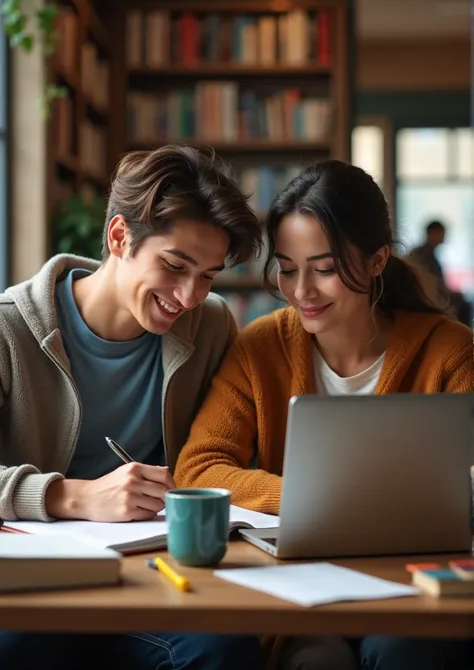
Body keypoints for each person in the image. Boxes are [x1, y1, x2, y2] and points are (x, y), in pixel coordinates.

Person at [175, 160, 473, 670]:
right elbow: (198, 469)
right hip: (304, 595)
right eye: (288, 268)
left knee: (406, 651)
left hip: (416, 589)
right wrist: (304, 498)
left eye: (326, 268)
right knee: (314, 661)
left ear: (377, 260)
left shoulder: (450, 352)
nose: (302, 291)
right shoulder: (260, 347)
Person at [0, 145, 263, 670]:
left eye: (208, 275)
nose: (189, 295)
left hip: (155, 579)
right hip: (33, 583)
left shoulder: (211, 328)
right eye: (174, 265)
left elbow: (223, 457)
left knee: (224, 649)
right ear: (119, 238)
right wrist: (71, 496)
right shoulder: (8, 328)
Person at [409, 220, 472, 327]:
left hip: (433, 294)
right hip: (427, 297)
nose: (444, 237)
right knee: (463, 305)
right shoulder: (421, 255)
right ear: (432, 233)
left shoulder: (428, 254)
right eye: (441, 233)